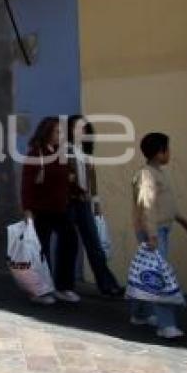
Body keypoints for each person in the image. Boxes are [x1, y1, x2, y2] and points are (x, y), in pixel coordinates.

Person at [130, 132, 187, 339]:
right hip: (154, 232)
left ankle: (140, 314)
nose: (170, 153)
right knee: (160, 277)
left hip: (161, 229)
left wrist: (182, 221)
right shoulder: (146, 175)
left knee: (149, 271)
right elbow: (147, 206)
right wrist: (151, 235)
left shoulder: (159, 173)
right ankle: (166, 325)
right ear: (160, 153)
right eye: (168, 149)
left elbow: (166, 205)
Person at [21, 116, 80, 305]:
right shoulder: (35, 154)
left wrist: (78, 190)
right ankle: (38, 291)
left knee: (70, 241)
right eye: (57, 131)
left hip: (60, 208)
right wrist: (27, 210)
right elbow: (27, 185)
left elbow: (65, 180)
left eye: (62, 132)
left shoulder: (59, 153)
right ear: (47, 133)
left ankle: (63, 287)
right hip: (40, 209)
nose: (61, 135)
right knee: (40, 250)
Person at [66, 115, 123, 297]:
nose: (81, 132)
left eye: (84, 129)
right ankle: (64, 285)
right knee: (68, 245)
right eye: (77, 128)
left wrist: (96, 204)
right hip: (68, 203)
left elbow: (92, 181)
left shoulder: (86, 152)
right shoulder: (65, 151)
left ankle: (107, 285)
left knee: (95, 245)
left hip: (84, 203)